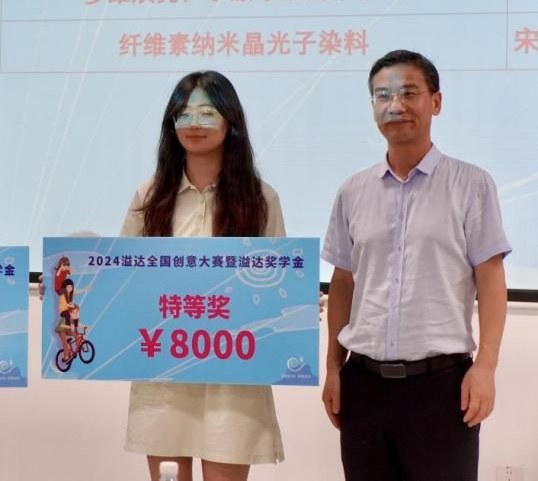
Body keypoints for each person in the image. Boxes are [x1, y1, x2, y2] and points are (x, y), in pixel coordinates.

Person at [321, 50, 510, 481]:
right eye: (382, 95)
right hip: (364, 385)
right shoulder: (353, 191)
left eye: (409, 93)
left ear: (435, 102)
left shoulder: (471, 184)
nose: (395, 105)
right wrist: (333, 368)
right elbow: (343, 282)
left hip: (441, 387)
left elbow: (490, 278)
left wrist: (486, 367)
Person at [120, 70, 286, 481]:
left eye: (207, 113)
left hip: (233, 378)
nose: (194, 123)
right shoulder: (149, 196)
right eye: (184, 113)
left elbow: (277, 285)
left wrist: (290, 302)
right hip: (164, 373)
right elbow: (121, 280)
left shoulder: (260, 199)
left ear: (231, 121)